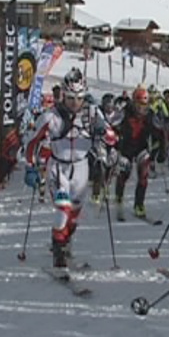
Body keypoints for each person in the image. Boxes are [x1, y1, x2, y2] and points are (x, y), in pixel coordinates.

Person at [24, 68, 115, 267]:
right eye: (71, 97)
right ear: (63, 95)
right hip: (58, 167)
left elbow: (112, 137)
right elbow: (31, 142)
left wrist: (102, 132)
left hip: (81, 168)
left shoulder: (92, 113)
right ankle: (58, 257)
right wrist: (30, 167)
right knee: (62, 209)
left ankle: (62, 242)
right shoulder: (51, 116)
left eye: (79, 97)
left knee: (73, 216)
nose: (75, 103)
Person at [112, 86, 167, 219]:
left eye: (145, 104)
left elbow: (160, 133)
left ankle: (139, 204)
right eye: (139, 104)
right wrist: (114, 142)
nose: (142, 108)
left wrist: (161, 151)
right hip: (126, 147)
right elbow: (112, 125)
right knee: (124, 172)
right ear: (133, 102)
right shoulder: (125, 112)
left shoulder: (150, 115)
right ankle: (119, 198)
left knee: (143, 175)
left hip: (141, 147)